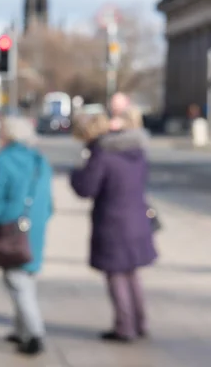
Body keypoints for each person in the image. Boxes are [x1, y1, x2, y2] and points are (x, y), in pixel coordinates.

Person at [70, 112, 157, 343]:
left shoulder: (102, 155)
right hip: (137, 219)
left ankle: (124, 327)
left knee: (116, 275)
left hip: (113, 223)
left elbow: (86, 188)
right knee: (131, 274)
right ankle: (141, 323)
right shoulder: (134, 151)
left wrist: (77, 172)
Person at [0, 116, 53, 356]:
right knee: (26, 275)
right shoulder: (40, 161)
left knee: (17, 281)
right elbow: (48, 199)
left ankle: (35, 333)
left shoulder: (2, 162)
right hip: (34, 226)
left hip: (11, 227)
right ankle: (21, 330)